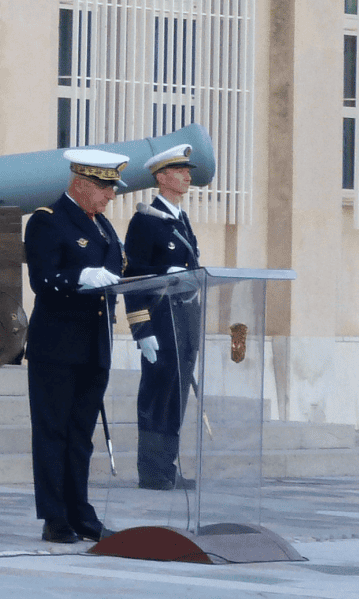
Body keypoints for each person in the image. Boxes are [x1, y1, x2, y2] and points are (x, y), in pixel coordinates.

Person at [23, 148, 127, 544]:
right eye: (104, 188)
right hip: (58, 345)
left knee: (81, 433)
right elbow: (43, 278)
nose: (111, 195)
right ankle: (55, 516)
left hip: (94, 344)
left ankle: (80, 511)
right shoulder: (48, 220)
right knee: (53, 431)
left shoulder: (103, 226)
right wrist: (81, 276)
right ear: (81, 183)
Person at [122, 143, 202, 491]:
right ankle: (151, 470)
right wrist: (141, 329)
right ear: (161, 178)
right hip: (159, 320)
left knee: (176, 395)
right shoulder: (145, 221)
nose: (187, 177)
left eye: (187, 172)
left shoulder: (180, 219)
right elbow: (133, 278)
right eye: (179, 172)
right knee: (157, 396)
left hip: (183, 320)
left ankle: (167, 467)